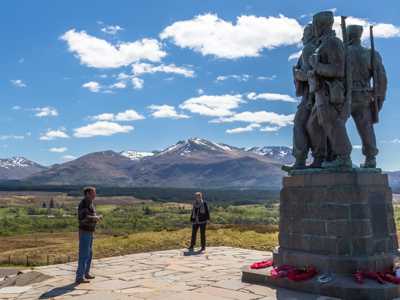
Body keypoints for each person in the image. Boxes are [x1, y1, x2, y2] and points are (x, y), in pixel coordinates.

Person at [306, 11, 353, 169]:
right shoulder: (321, 44)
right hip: (320, 92)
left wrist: (317, 66)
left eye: (315, 25)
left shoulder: (332, 42)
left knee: (333, 123)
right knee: (313, 125)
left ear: (321, 25)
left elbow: (338, 70)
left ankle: (344, 157)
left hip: (330, 92)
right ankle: (320, 157)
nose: (313, 29)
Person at [347, 24, 387, 168]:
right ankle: (371, 157)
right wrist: (379, 97)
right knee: (366, 128)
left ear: (349, 36)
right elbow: (381, 79)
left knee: (336, 125)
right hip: (364, 95)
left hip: (346, 97)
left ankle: (339, 155)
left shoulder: (344, 52)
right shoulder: (370, 54)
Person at [75, 186, 102, 284]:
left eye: (94, 193)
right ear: (87, 194)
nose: (95, 195)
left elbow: (90, 216)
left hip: (90, 231)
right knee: (83, 254)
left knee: (89, 254)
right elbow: (84, 217)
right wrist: (96, 218)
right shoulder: (83, 203)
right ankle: (79, 277)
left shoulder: (90, 203)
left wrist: (96, 217)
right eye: (93, 193)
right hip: (85, 232)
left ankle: (86, 273)